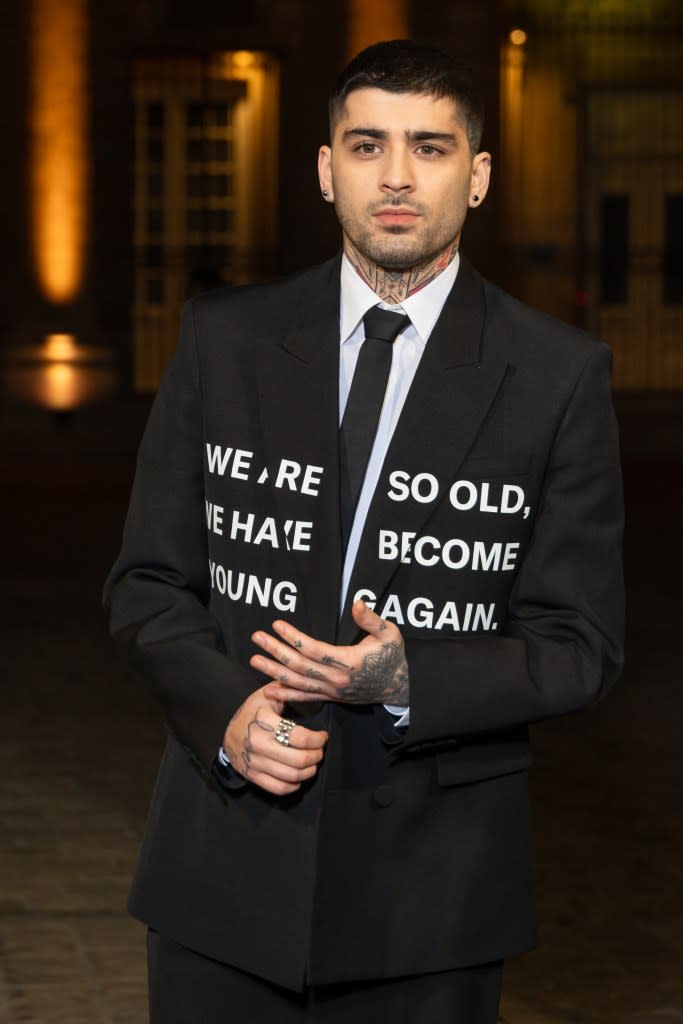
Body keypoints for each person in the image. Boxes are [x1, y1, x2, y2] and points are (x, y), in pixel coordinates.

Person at [104, 39, 624, 1023]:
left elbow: (578, 644)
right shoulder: (225, 338)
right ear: (323, 167)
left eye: (427, 148)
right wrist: (225, 713)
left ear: (475, 178)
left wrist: (406, 677)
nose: (393, 177)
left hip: (429, 895)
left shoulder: (556, 376)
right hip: (222, 868)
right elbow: (146, 583)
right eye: (365, 144)